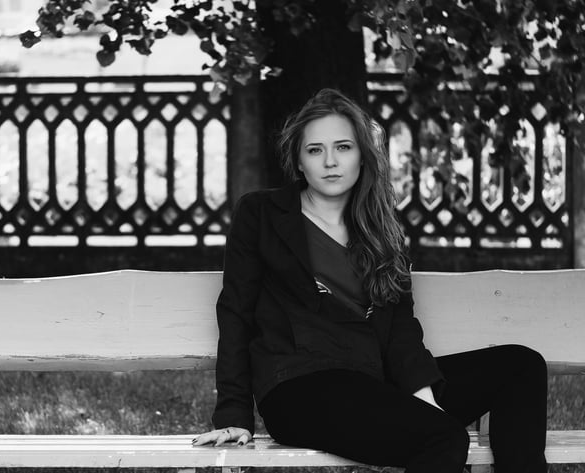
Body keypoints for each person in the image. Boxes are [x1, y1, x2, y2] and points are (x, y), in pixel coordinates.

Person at [192, 88, 548, 473]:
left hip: (375, 380)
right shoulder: (261, 214)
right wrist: (234, 414)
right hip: (301, 387)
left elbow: (399, 330)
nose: (330, 161)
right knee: (445, 437)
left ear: (362, 155)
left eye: (343, 147)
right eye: (315, 150)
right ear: (298, 160)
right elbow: (236, 313)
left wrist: (426, 402)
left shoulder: (380, 229)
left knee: (521, 365)